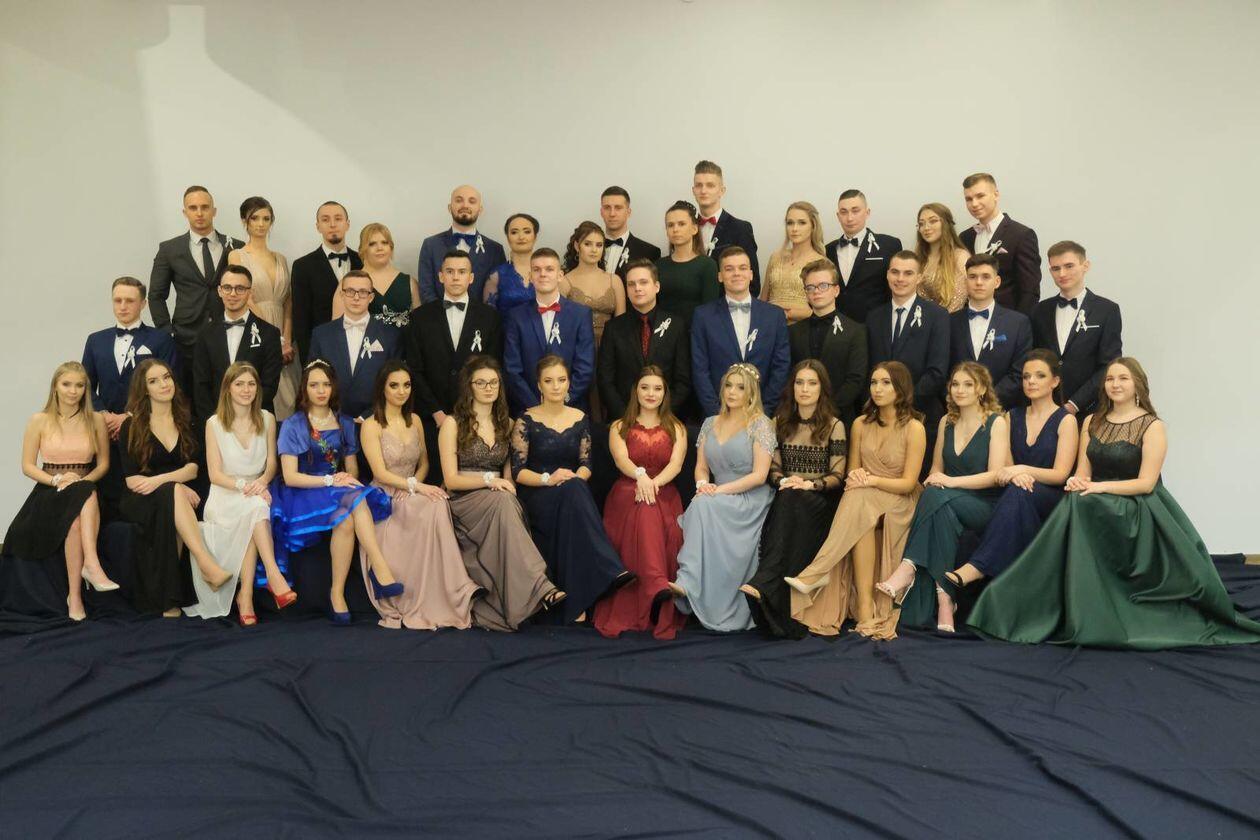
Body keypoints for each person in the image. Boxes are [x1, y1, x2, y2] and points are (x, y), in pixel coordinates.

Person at [969, 358, 1260, 649]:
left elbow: (1146, 483)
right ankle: (1028, 602)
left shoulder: (1152, 426)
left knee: (1080, 504)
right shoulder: (1091, 422)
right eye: (1110, 379)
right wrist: (1078, 482)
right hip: (1097, 500)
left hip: (1138, 507)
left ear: (1138, 385)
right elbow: (1083, 472)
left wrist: (1099, 487)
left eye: (1123, 379)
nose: (1115, 384)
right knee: (1075, 501)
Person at [786, 362, 926, 638]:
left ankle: (818, 571)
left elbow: (908, 483)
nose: (877, 389)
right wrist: (860, 477)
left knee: (860, 498)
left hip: (900, 500)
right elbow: (852, 473)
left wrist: (871, 480)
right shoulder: (860, 424)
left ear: (900, 388)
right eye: (873, 382)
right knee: (859, 503)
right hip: (865, 499)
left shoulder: (914, 428)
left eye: (885, 382)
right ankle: (865, 610)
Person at [875, 362, 1008, 632]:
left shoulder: (997, 422)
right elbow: (936, 468)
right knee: (939, 505)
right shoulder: (947, 421)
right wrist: (936, 479)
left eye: (968, 385)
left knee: (936, 495)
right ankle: (945, 598)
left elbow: (995, 475)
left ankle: (908, 566)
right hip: (948, 503)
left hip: (983, 504)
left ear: (982, 389)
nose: (960, 390)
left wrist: (949, 481)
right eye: (955, 384)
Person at [438, 356, 565, 631]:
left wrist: (500, 484)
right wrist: (489, 481)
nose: (488, 388)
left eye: (493, 382)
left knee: (507, 501)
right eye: (481, 383)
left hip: (499, 498)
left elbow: (509, 477)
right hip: (463, 500)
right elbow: (451, 480)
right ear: (469, 386)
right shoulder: (452, 423)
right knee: (502, 501)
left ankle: (524, 598)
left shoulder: (507, 424)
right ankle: (540, 585)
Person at [269, 361, 394, 624]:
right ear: (304, 389)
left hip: (335, 487)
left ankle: (337, 593)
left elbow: (351, 468)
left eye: (326, 384)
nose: (321, 390)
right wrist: (329, 480)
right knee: (353, 501)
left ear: (333, 388)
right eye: (314, 385)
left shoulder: (344, 422)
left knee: (347, 516)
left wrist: (345, 477)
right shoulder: (293, 425)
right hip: (304, 490)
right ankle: (379, 567)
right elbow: (290, 477)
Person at [358, 361, 480, 630]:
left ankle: (451, 589)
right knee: (432, 503)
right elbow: (379, 472)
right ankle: (421, 592)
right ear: (382, 388)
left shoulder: (414, 421)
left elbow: (424, 463)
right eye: (394, 385)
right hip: (383, 497)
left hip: (411, 490)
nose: (401, 391)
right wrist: (414, 487)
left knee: (437, 502)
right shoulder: (371, 425)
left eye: (406, 385)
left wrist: (415, 486)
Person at [510, 356, 629, 624]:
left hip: (572, 491)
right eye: (549, 381)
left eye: (561, 380)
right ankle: (609, 567)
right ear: (539, 385)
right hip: (538, 492)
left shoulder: (580, 418)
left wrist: (574, 478)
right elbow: (518, 472)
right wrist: (549, 479)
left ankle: (577, 602)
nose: (556, 386)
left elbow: (586, 465)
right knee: (574, 493)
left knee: (575, 489)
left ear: (568, 384)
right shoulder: (526, 420)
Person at [947, 350, 1078, 589]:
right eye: (1026, 376)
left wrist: (1021, 470)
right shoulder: (1011, 416)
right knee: (1016, 493)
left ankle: (977, 567)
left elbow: (1060, 474)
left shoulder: (1066, 419)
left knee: (1019, 492)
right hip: (1015, 491)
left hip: (1051, 498)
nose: (1031, 381)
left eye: (1039, 376)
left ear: (1055, 381)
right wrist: (1016, 474)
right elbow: (1005, 468)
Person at [741, 361, 846, 639]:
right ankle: (771, 596)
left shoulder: (834, 425)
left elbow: (838, 476)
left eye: (812, 383)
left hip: (820, 500)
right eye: (800, 382)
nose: (805, 389)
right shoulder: (779, 422)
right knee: (789, 498)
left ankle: (764, 582)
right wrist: (784, 481)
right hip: (789, 496)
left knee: (792, 500)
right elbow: (773, 468)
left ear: (822, 388)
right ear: (792, 387)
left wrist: (811, 484)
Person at [5, 362, 118, 621]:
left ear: (86, 389)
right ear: (55, 386)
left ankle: (75, 595)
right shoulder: (39, 420)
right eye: (66, 384)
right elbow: (27, 466)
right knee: (83, 498)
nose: (73, 391)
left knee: (83, 500)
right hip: (49, 491)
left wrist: (80, 482)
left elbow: (103, 465)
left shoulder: (96, 420)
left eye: (79, 385)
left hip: (85, 486)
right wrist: (57, 480)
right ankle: (91, 568)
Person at [117, 359, 231, 616]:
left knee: (173, 498)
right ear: (144, 389)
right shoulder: (131, 426)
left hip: (176, 495)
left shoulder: (187, 421)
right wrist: (175, 485)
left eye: (167, 377)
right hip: (139, 499)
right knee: (173, 495)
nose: (163, 384)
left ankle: (168, 600)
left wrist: (167, 483)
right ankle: (206, 564)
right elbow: (133, 481)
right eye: (154, 381)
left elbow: (193, 469)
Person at [670, 363, 775, 631]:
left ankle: (688, 582)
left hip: (750, 498)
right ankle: (688, 583)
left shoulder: (761, 424)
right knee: (701, 504)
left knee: (702, 506)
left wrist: (717, 491)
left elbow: (760, 475)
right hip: (716, 496)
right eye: (728, 385)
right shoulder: (709, 423)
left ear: (751, 393)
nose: (732, 392)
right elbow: (701, 468)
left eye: (740, 387)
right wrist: (703, 484)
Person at [192, 363, 295, 624]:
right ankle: (273, 575)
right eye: (239, 384)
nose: (246, 390)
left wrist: (261, 482)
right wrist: (244, 487)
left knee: (255, 508)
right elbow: (214, 475)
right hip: (225, 494)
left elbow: (271, 464)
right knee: (256, 508)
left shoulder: (267, 418)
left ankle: (246, 595)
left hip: (255, 490)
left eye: (251, 384)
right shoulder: (214, 423)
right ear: (228, 388)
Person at [593, 366, 689, 640]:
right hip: (628, 489)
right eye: (645, 387)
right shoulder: (619, 426)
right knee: (645, 507)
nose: (651, 393)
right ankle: (656, 586)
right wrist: (641, 477)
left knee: (650, 506)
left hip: (663, 490)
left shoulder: (677, 427)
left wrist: (652, 484)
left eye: (657, 388)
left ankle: (656, 588)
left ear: (665, 393)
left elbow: (676, 464)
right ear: (635, 390)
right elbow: (621, 459)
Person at [404, 250, 504, 480]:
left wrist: (473, 413)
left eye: (462, 271)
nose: (456, 277)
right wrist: (436, 412)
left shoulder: (489, 317)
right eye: (450, 271)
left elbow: (493, 366)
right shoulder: (420, 317)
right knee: (437, 481)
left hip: (477, 418)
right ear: (441, 276)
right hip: (432, 417)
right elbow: (414, 369)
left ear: (471, 277)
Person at [148, 186, 244, 393]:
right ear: (185, 212)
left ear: (214, 211)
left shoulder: (236, 246)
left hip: (228, 331)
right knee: (190, 396)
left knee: (229, 393)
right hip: (186, 338)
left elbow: (246, 288)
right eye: (193, 208)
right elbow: (156, 295)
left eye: (205, 207)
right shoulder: (169, 249)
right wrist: (166, 331)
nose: (199, 213)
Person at [691, 247, 791, 417]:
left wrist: (763, 411)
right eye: (729, 269)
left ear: (751, 274)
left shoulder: (774, 315)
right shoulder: (703, 316)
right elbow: (699, 369)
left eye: (742, 268)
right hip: (718, 414)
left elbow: (781, 366)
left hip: (762, 413)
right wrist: (717, 414)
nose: (736, 273)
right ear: (720, 276)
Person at [1030, 241, 1123, 417]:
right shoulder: (1039, 311)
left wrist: (1074, 404)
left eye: (1069, 266)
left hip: (1090, 410)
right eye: (1056, 268)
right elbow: (1034, 359)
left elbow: (1109, 364)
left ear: (1085, 266)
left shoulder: (1107, 310)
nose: (1062, 273)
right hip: (1045, 410)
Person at [227, 197, 300, 419]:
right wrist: (274, 338)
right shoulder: (237, 255)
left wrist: (286, 339)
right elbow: (246, 299)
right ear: (245, 221)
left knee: (289, 397)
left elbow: (287, 301)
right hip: (256, 330)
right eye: (255, 218)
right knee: (260, 392)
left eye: (266, 219)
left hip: (285, 337)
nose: (261, 224)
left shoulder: (281, 258)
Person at [82, 277, 181, 434]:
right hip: (105, 429)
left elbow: (171, 383)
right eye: (117, 300)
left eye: (130, 301)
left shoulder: (161, 339)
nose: (123, 307)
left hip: (147, 429)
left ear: (143, 304)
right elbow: (85, 384)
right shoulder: (95, 340)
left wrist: (130, 416)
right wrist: (103, 415)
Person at [503, 248, 595, 415]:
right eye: (537, 270)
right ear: (530, 277)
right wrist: (536, 406)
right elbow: (512, 369)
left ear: (560, 275)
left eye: (549, 269)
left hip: (570, 409)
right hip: (528, 410)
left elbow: (585, 367)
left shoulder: (581, 314)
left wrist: (562, 401)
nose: (543, 274)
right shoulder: (516, 316)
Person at [596, 259, 692, 420]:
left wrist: (661, 416)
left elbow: (683, 380)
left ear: (657, 286)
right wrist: (626, 417)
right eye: (631, 284)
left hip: (666, 419)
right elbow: (605, 379)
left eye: (643, 282)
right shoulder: (613, 328)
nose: (637, 288)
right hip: (623, 419)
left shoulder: (676, 326)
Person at [866, 252, 949, 429]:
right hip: (879, 416)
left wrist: (902, 404)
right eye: (895, 272)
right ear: (887, 275)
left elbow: (937, 371)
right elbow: (869, 366)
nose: (900, 279)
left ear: (919, 277)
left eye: (908, 273)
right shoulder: (873, 317)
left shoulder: (937, 316)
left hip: (921, 414)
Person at [192, 264, 282, 422]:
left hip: (256, 421)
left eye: (240, 288)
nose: (233, 294)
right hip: (217, 420)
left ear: (250, 292)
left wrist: (244, 419)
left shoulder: (269, 334)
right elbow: (201, 385)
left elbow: (269, 386)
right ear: (219, 291)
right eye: (227, 288)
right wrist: (216, 421)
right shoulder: (205, 334)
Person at [309, 271, 401, 419]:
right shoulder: (321, 334)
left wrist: (368, 416)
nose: (356, 297)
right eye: (350, 291)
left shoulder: (390, 335)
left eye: (363, 292)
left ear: (371, 297)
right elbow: (312, 379)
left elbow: (395, 381)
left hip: (376, 419)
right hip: (331, 418)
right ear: (342, 295)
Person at [788, 259, 867, 428]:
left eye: (823, 286)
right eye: (810, 287)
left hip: (840, 418)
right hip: (799, 419)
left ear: (836, 290)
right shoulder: (793, 332)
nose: (816, 291)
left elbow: (856, 379)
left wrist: (826, 410)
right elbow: (790, 376)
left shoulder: (856, 331)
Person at [948, 253, 1032, 409]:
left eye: (986, 277)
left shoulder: (1018, 323)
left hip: (1002, 410)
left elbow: (1018, 372)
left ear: (997, 281)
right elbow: (944, 369)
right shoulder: (949, 322)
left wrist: (986, 400)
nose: (979, 282)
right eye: (972, 277)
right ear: (965, 282)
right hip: (958, 410)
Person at [290, 201, 362, 365]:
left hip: (361, 348)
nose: (332, 224)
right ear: (318, 226)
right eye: (325, 219)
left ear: (347, 224)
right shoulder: (302, 266)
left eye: (338, 219)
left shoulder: (363, 261)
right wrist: (309, 364)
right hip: (322, 350)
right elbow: (301, 320)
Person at [959, 173, 1041, 315]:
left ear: (996, 195)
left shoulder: (1021, 235)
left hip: (1008, 320)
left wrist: (1019, 323)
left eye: (980, 196)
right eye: (969, 199)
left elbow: (1030, 290)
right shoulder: (965, 237)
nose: (974, 204)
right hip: (971, 319)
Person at [417, 185, 507, 303]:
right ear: (449, 207)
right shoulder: (430, 245)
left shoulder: (495, 250)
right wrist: (442, 314)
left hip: (482, 315)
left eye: (472, 201)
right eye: (459, 200)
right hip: (437, 314)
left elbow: (498, 293)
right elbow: (426, 290)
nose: (465, 205)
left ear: (480, 209)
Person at [824, 189, 903, 324]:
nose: (850, 218)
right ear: (838, 216)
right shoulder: (828, 250)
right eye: (844, 212)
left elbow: (896, 287)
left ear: (867, 212)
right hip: (837, 326)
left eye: (855, 211)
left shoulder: (889, 245)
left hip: (876, 325)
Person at [333, 223, 420, 328]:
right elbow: (336, 329)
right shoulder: (347, 283)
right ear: (363, 249)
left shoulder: (410, 282)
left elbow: (421, 326)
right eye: (372, 244)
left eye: (384, 242)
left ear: (391, 247)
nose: (379, 248)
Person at [691, 160, 760, 294]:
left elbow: (753, 283)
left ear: (721, 191)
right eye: (699, 185)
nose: (703, 191)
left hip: (726, 305)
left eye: (710, 185)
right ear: (693, 190)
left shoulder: (740, 229)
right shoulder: (686, 228)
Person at [560, 220, 626, 345]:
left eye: (599, 245)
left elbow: (621, 324)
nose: (594, 250)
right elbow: (560, 323)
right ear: (577, 246)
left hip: (609, 346)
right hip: (576, 345)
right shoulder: (564, 281)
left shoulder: (615, 280)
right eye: (588, 244)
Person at [655, 200, 721, 324]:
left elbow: (710, 310)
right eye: (670, 225)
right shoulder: (659, 265)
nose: (675, 229)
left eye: (681, 224)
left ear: (694, 229)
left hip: (696, 331)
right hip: (664, 332)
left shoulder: (707, 265)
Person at [761, 201, 825, 324]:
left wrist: (789, 314)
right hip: (771, 326)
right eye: (790, 223)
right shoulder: (775, 257)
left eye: (802, 223)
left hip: (804, 327)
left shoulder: (820, 262)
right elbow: (763, 299)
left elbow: (824, 310)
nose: (795, 229)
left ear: (813, 226)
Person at [914, 202, 970, 312]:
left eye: (933, 221)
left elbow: (958, 301)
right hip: (919, 319)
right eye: (921, 224)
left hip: (951, 319)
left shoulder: (960, 257)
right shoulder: (917, 259)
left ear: (946, 224)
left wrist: (937, 321)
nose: (926, 227)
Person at [483, 213, 540, 313]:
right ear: (508, 238)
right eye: (514, 232)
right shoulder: (496, 275)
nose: (521, 237)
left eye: (527, 232)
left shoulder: (548, 271)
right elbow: (488, 316)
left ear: (535, 237)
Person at [601, 186, 661, 279]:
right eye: (607, 208)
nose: (612, 214)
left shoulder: (650, 252)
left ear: (628, 212)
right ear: (601, 212)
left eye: (618, 208)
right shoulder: (587, 249)